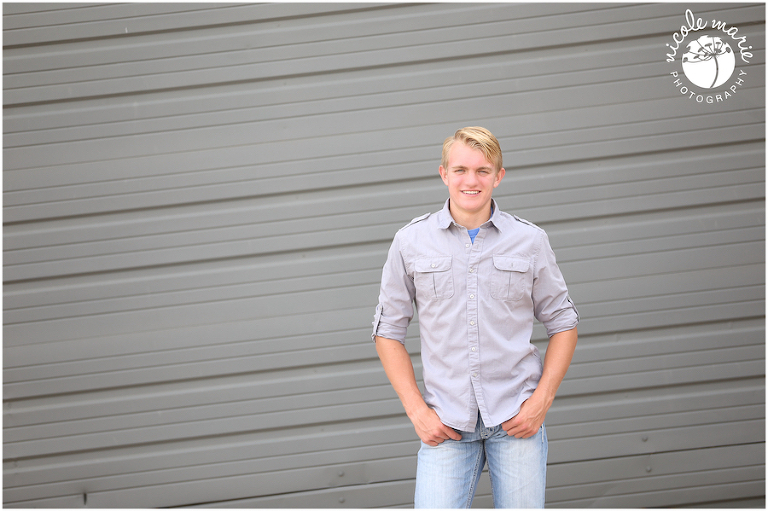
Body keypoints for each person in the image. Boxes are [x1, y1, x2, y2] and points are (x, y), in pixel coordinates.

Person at [371, 126, 579, 508]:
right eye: (461, 170)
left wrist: (542, 401)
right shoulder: (410, 241)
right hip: (447, 423)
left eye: (483, 170)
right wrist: (417, 411)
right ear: (444, 174)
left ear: (498, 176)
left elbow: (563, 322)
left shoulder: (530, 240)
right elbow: (387, 331)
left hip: (516, 419)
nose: (471, 181)